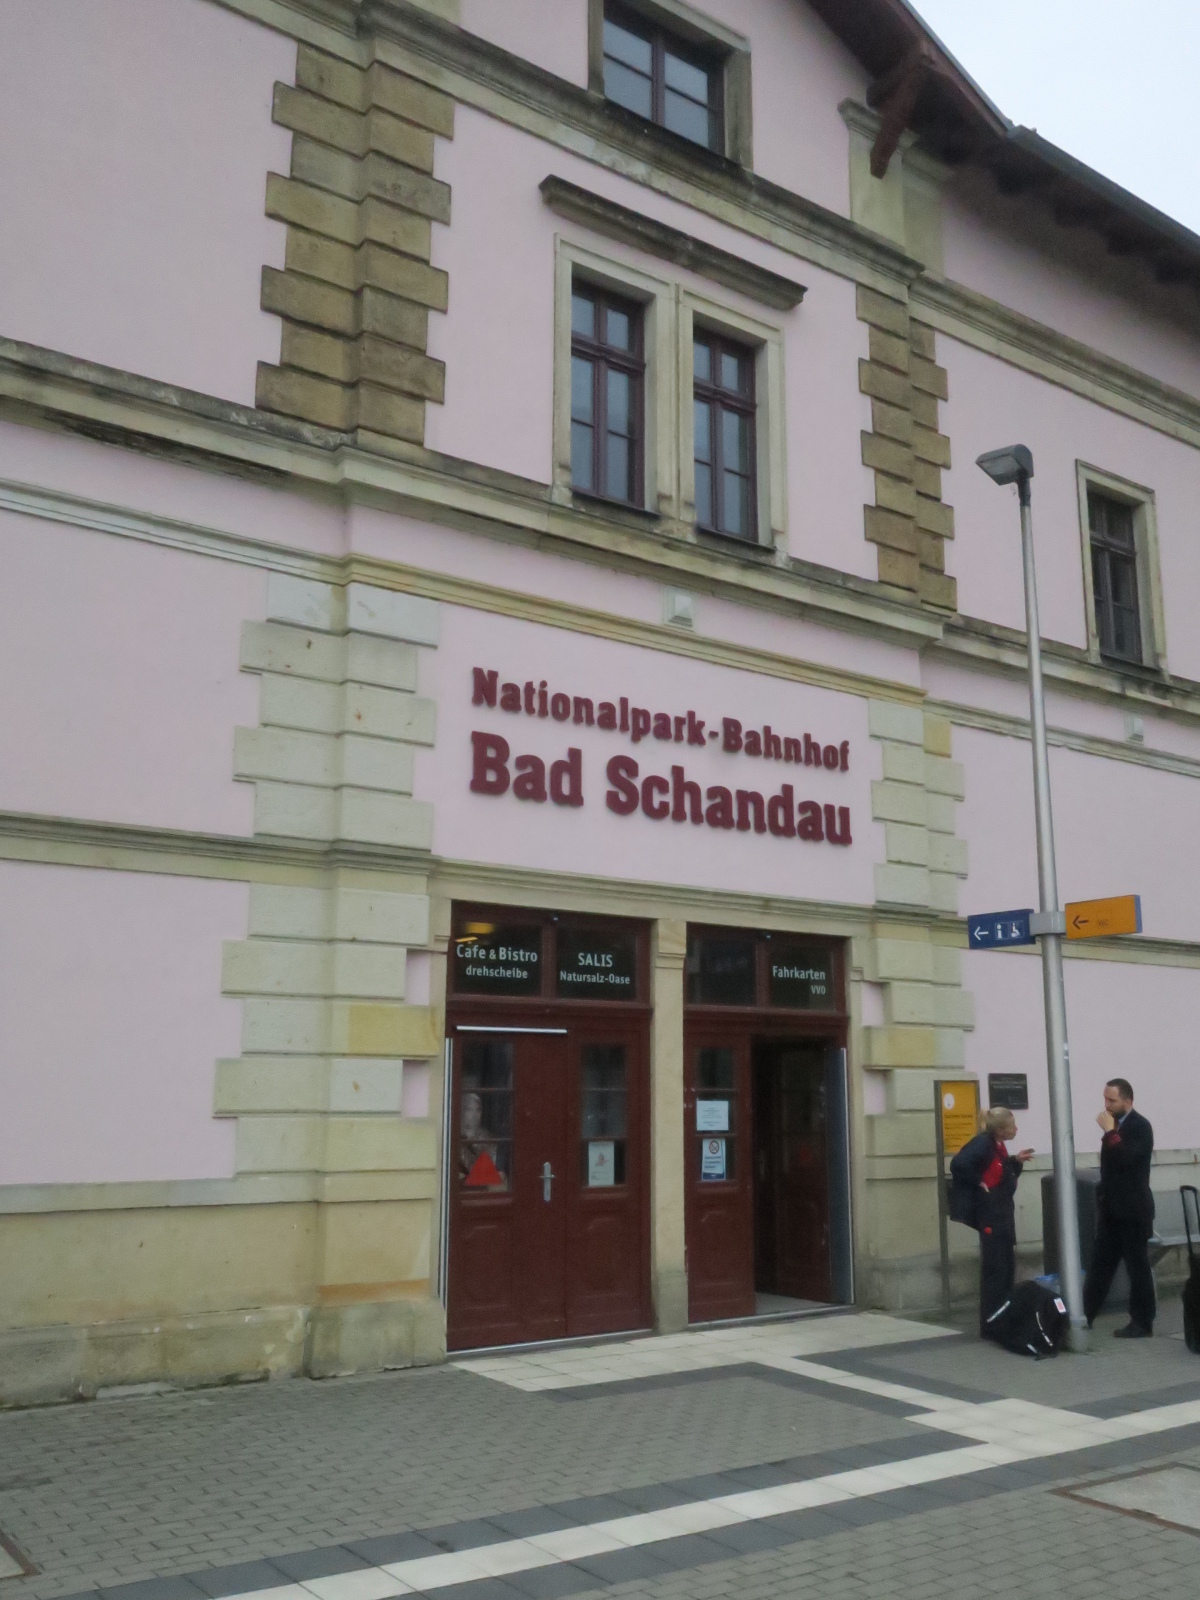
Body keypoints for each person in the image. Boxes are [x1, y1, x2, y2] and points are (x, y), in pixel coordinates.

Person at [949, 1106, 1034, 1336]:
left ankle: (1002, 1318)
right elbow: (959, 1164)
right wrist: (978, 1181)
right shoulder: (983, 1144)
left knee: (1006, 1267)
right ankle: (990, 1323)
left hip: (1002, 1213)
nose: (1016, 1129)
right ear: (1001, 1130)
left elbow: (1000, 1172)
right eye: (1012, 1126)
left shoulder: (998, 1147)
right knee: (995, 1270)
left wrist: (1016, 1160)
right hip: (991, 1215)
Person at [1083, 1078, 1156, 1337]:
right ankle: (1084, 1315)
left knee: (1137, 1267)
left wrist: (1109, 1132)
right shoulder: (1114, 1127)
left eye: (1112, 1100)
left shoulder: (1140, 1126)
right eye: (1105, 1099)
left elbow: (1126, 1158)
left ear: (1128, 1101)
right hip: (1112, 1210)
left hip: (1133, 1210)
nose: (1107, 1105)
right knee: (1100, 1265)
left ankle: (1142, 1321)